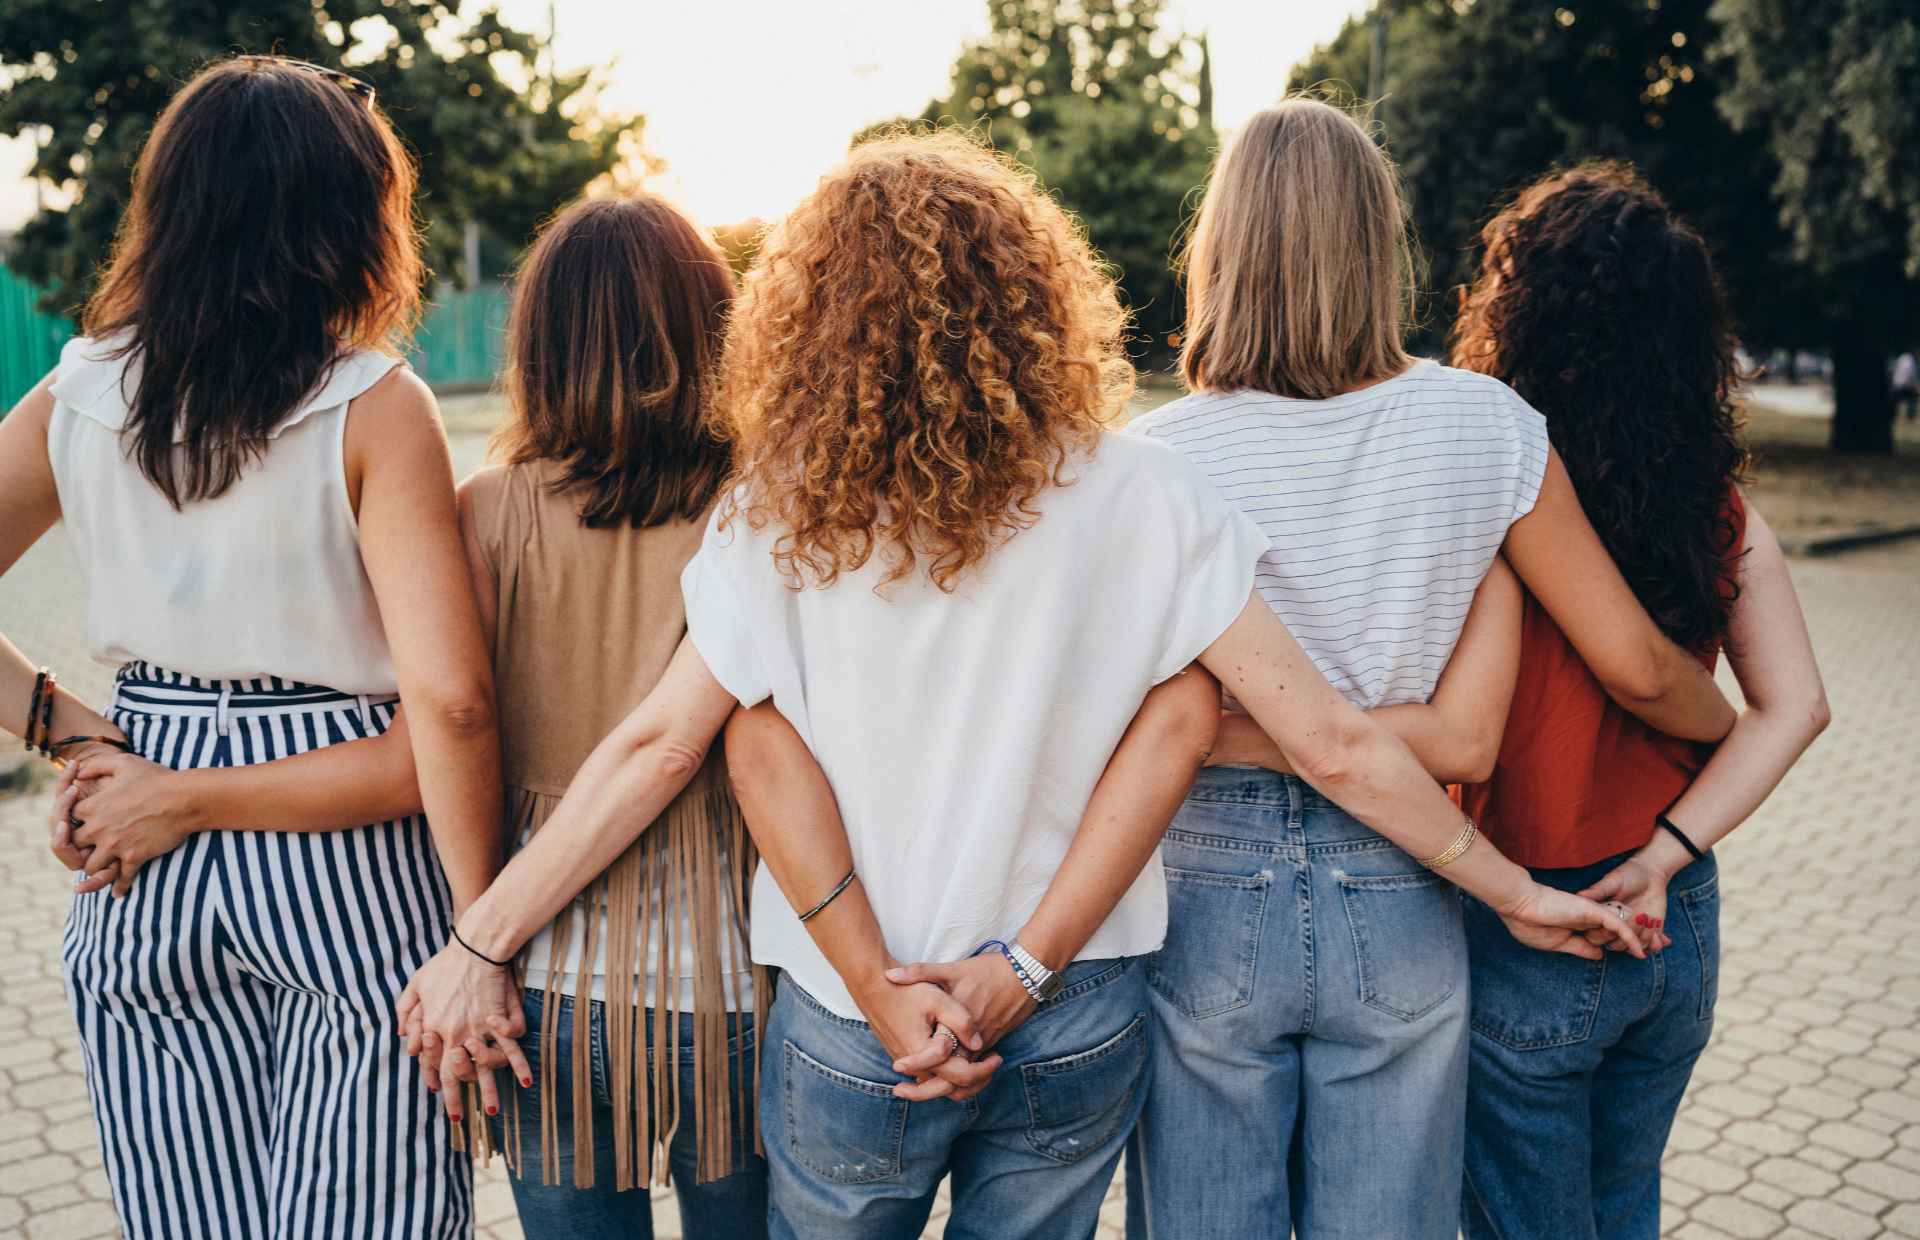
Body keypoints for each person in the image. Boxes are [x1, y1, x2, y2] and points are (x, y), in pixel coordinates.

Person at [395, 132, 1644, 1240]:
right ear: (1037, 293)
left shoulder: (773, 518)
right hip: (1073, 1007)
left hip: (849, 1017)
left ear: (805, 320)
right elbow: (1326, 741)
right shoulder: (1146, 494)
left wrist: (484, 935)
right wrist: (1512, 890)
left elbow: (676, 746)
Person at [54, 193, 772, 1238]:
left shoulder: (485, 510)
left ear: (539, 346)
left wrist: (474, 934)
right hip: (731, 973)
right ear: (716, 330)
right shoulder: (760, 510)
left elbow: (451, 716)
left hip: (538, 974)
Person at [1124, 99, 1737, 1240]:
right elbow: (1491, 730)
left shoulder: (1157, 461)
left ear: (1222, 248)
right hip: (1407, 876)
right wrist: (1734, 727)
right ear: (1377, 244)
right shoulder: (1488, 428)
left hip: (1205, 886)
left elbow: (1148, 727)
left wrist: (1246, 730)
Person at [0, 56, 501, 1238]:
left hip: (138, 851)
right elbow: (454, 706)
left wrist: (79, 739)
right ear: (347, 221)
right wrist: (484, 933)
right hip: (348, 854)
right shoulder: (371, 403)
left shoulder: (78, 393)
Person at [1446, 162, 1829, 1239]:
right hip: (1674, 917)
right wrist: (1665, 852)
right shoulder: (1717, 504)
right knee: (1624, 1209)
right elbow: (1795, 708)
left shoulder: (1500, 488)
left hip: (1536, 918)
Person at [1893, 351, 1917, 420]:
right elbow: (1911, 374)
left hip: (1896, 384)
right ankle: (1910, 416)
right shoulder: (1911, 360)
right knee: (1913, 397)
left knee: (1897, 400)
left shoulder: (1901, 358)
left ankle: (1896, 414)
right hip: (1905, 385)